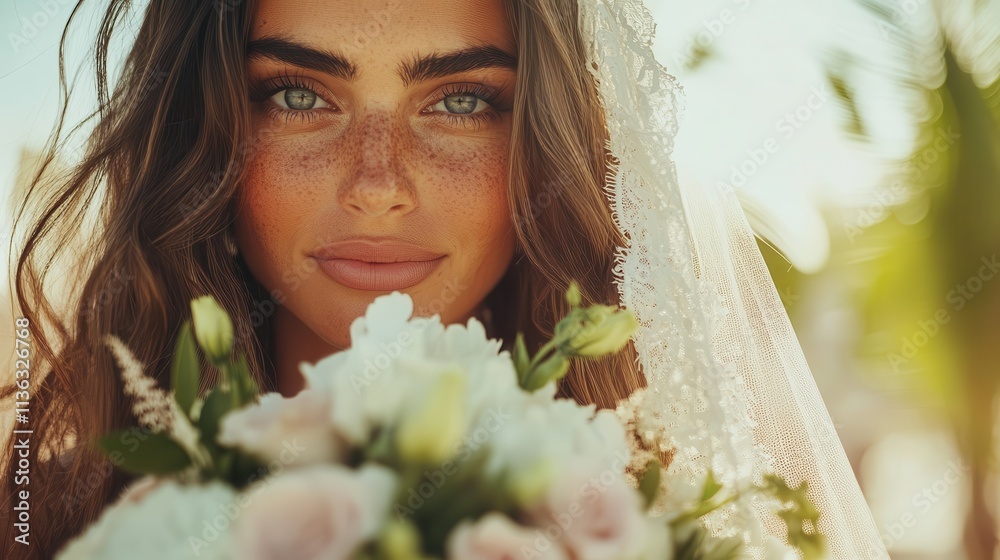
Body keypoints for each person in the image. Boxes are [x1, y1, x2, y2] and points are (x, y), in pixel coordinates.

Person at [0, 0, 889, 558]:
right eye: (301, 95)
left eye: (461, 101)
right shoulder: (43, 520)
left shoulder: (656, 524)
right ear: (210, 137)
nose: (378, 183)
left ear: (545, 148)